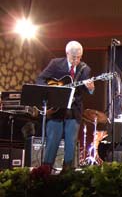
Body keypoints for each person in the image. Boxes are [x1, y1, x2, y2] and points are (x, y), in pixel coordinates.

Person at [36, 41, 94, 171]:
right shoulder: (55, 64)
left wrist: (90, 88)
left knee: (71, 142)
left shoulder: (85, 69)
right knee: (52, 140)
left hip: (73, 111)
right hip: (56, 109)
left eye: (79, 57)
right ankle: (46, 170)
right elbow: (40, 79)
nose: (76, 60)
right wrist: (53, 89)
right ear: (67, 53)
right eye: (74, 57)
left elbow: (86, 90)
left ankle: (67, 171)